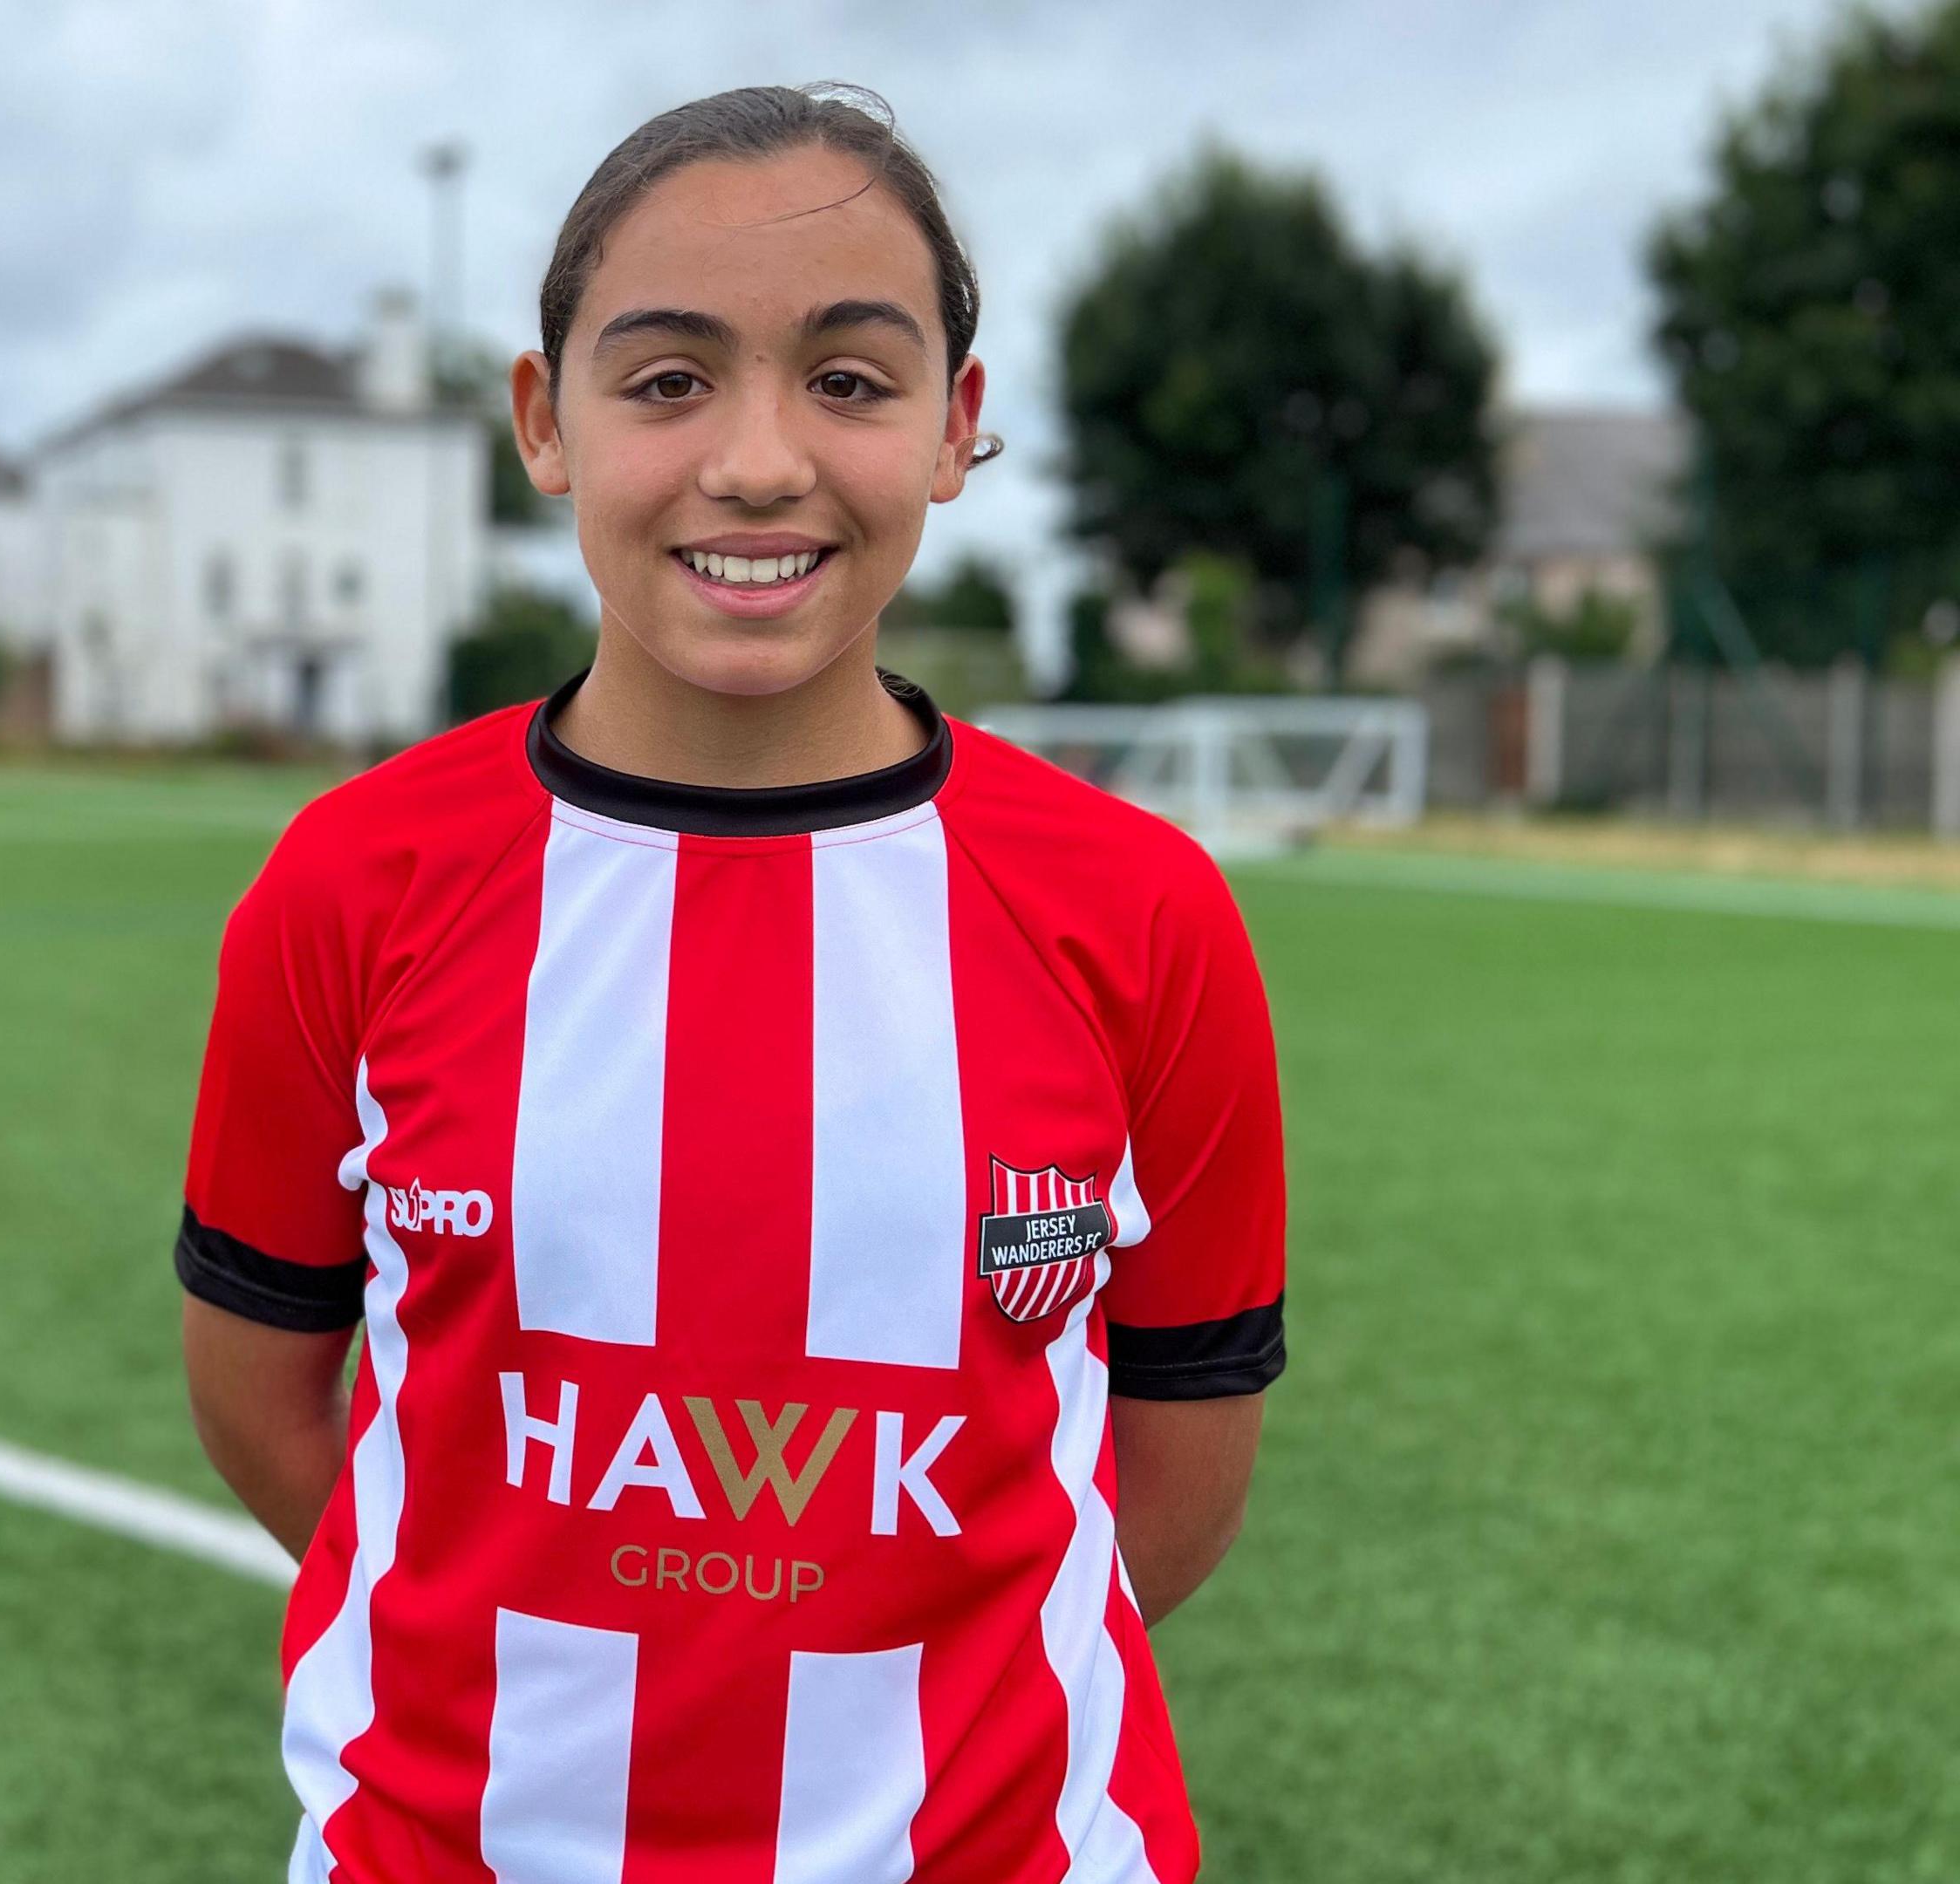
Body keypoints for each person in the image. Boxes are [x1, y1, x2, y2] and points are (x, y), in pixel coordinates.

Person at [174, 86, 1284, 1882]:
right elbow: (261, 1396)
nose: (759, 460)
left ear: (954, 428)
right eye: (668, 379)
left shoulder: (1142, 913)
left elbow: (1172, 1485)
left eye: (850, 380)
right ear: (545, 423)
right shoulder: (354, 886)